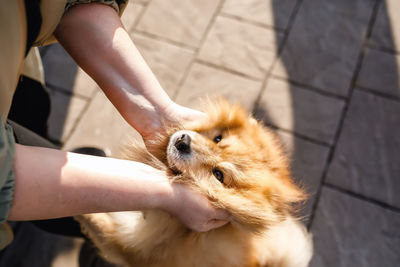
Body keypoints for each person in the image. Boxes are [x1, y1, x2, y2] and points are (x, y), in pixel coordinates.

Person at [0, 0, 230, 251]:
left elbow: (54, 5)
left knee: (31, 111)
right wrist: (167, 193)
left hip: (14, 70)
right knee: (54, 210)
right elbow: (5, 178)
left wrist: (159, 114)